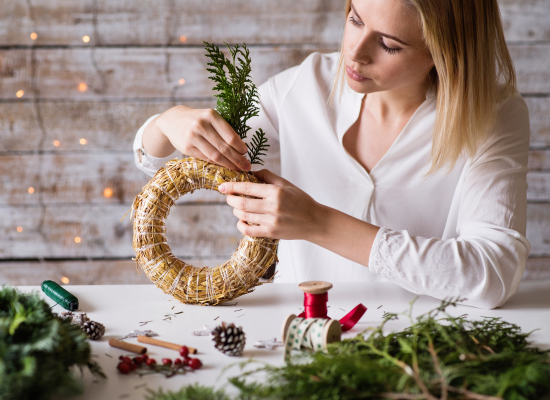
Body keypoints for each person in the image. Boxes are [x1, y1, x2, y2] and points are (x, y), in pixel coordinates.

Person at [133, 0, 530, 309]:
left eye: (389, 44)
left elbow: (493, 273)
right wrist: (168, 122)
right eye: (355, 19)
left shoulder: (492, 116)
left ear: (444, 52)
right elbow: (152, 159)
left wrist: (317, 222)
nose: (354, 53)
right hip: (295, 337)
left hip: (424, 351)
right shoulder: (303, 89)